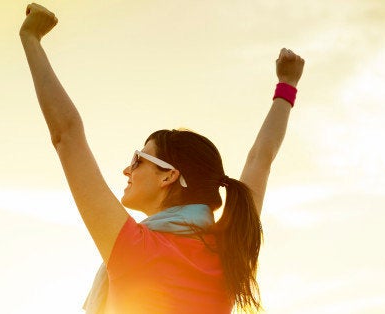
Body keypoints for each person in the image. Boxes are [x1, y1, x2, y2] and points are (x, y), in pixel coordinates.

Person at [19, 3, 304, 314]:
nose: (127, 169)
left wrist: (31, 39)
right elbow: (260, 160)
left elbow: (66, 135)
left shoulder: (136, 249)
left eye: (139, 158)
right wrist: (287, 86)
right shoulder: (230, 252)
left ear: (169, 176)